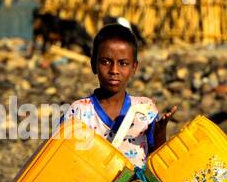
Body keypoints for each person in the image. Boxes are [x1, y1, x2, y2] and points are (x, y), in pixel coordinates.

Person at [67, 22, 175, 168]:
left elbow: (159, 163)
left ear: (134, 68)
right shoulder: (79, 112)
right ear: (93, 65)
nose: (114, 70)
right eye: (106, 62)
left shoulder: (144, 110)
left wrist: (160, 134)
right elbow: (63, 158)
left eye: (123, 63)